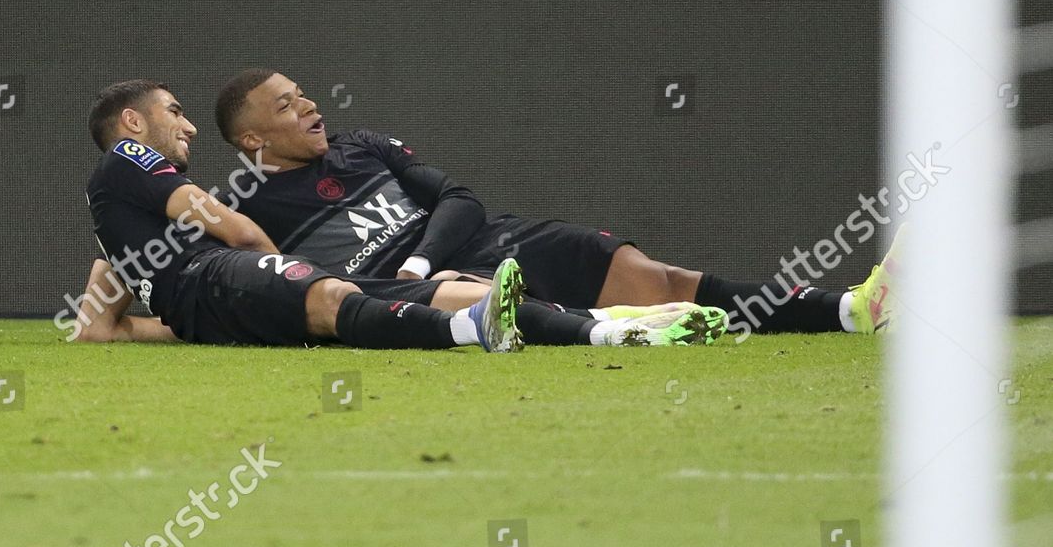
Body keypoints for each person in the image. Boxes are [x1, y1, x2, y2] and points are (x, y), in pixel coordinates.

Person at [211, 66, 902, 338]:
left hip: (470, 245)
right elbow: (276, 286)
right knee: (613, 312)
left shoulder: (360, 145)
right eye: (285, 103)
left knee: (654, 275)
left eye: (302, 93)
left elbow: (459, 200)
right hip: (421, 287)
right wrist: (413, 279)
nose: (307, 105)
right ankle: (630, 332)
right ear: (251, 137)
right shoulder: (246, 213)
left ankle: (848, 309)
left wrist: (422, 257)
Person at [71, 79, 726, 348]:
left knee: (440, 293)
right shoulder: (129, 159)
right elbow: (236, 232)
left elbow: (98, 326)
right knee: (331, 295)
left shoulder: (120, 216)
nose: (184, 126)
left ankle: (611, 324)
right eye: (174, 111)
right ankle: (567, 330)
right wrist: (275, 264)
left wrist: (156, 320)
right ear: (132, 123)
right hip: (224, 281)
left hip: (214, 301)